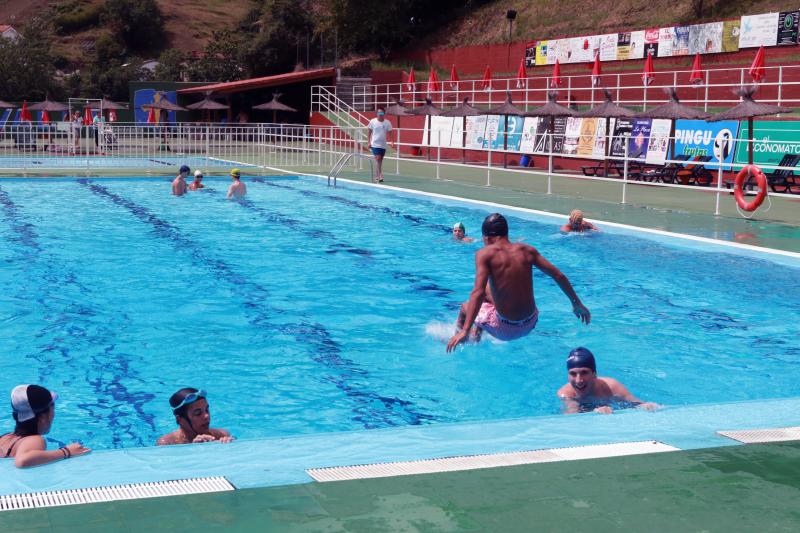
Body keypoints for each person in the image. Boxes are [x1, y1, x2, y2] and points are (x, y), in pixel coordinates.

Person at [446, 213, 590, 352]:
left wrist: (464, 330)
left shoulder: (484, 254)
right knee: (488, 293)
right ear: (506, 234)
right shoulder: (526, 250)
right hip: (531, 322)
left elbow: (477, 292)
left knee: (466, 307)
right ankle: (477, 333)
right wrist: (576, 303)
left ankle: (461, 340)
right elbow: (558, 275)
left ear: (487, 238)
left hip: (505, 330)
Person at [0, 385, 90, 468]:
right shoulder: (34, 440)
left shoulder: (4, 438)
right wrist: (67, 452)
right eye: (52, 408)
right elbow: (22, 461)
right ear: (43, 417)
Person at [558, 347, 660, 414]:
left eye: (584, 372)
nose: (578, 380)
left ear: (594, 374)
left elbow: (637, 403)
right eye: (573, 374)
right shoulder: (566, 394)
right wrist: (593, 413)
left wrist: (647, 406)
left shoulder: (611, 387)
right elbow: (572, 419)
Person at [156, 388, 234, 445]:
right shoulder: (167, 443)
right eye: (198, 413)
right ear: (180, 420)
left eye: (206, 410)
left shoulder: (221, 435)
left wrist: (227, 446)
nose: (206, 416)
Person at [367, 106, 393, 183]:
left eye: (381, 113)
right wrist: (369, 142)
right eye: (379, 113)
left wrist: (392, 141)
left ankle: (376, 176)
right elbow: (369, 132)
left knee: (379, 161)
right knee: (378, 158)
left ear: (384, 113)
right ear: (376, 113)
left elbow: (390, 132)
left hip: (383, 145)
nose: (380, 114)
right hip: (374, 144)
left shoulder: (387, 122)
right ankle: (380, 175)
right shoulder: (372, 121)